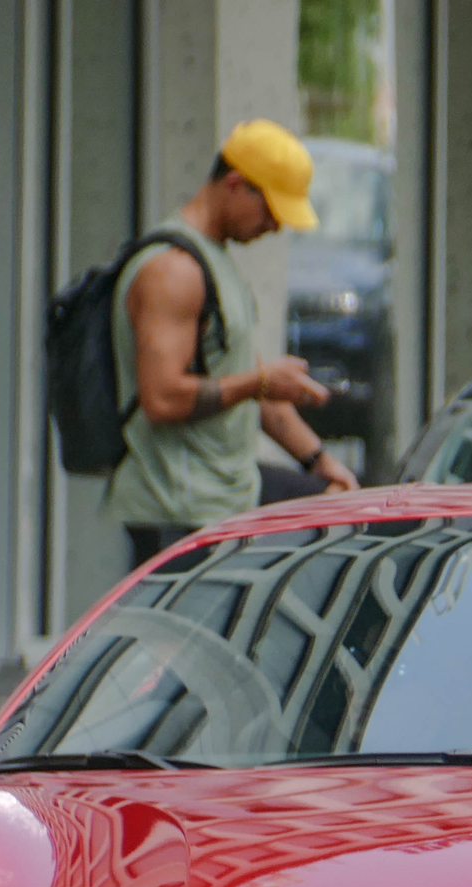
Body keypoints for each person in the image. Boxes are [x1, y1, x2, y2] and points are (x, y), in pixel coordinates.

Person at [108, 120, 358, 562]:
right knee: (183, 634)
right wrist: (258, 383)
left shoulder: (213, 261)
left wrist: (319, 461)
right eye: (271, 210)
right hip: (179, 512)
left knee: (339, 503)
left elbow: (246, 382)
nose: (275, 226)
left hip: (224, 494)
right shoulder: (174, 270)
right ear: (236, 185)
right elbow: (162, 399)